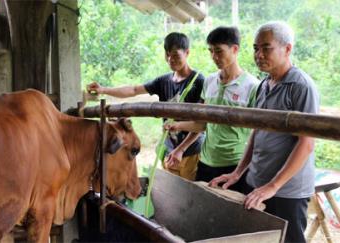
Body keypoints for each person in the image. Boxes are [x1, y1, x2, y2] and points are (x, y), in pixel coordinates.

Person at [209, 21, 319, 243]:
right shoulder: (264, 85)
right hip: (257, 182)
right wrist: (238, 173)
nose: (258, 54)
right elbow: (256, 132)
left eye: (266, 48)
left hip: (287, 191)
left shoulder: (301, 86)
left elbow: (306, 144)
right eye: (255, 48)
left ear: (287, 49)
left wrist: (273, 186)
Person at [87, 32, 205, 181]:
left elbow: (200, 124)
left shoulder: (199, 81)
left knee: (189, 196)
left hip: (191, 152)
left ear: (187, 53)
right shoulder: (164, 81)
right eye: (167, 55)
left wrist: (181, 150)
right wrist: (103, 89)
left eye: (175, 55)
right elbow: (134, 90)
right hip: (169, 149)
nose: (170, 60)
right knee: (171, 193)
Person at [164, 26, 258, 187]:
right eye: (211, 51)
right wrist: (177, 127)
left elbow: (257, 133)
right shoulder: (209, 81)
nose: (214, 56)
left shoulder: (253, 86)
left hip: (235, 165)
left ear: (235, 49)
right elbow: (202, 123)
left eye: (219, 51)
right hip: (206, 161)